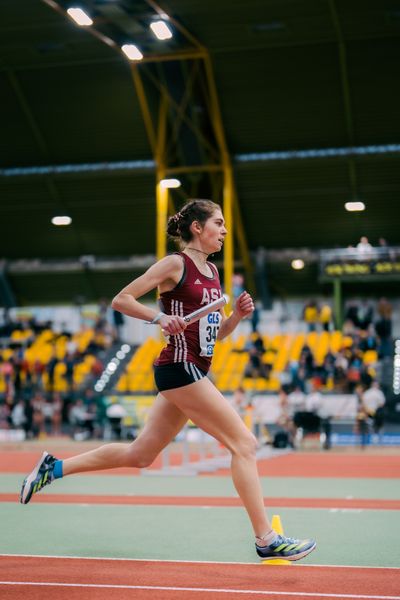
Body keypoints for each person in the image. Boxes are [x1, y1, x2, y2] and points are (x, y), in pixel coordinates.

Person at [19, 199, 315, 562]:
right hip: (179, 367)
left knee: (140, 454)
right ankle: (265, 538)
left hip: (192, 369)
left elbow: (216, 335)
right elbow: (121, 299)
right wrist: (158, 319)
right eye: (218, 224)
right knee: (245, 443)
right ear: (197, 227)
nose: (223, 231)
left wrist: (236, 316)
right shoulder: (176, 264)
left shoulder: (213, 274)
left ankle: (54, 467)